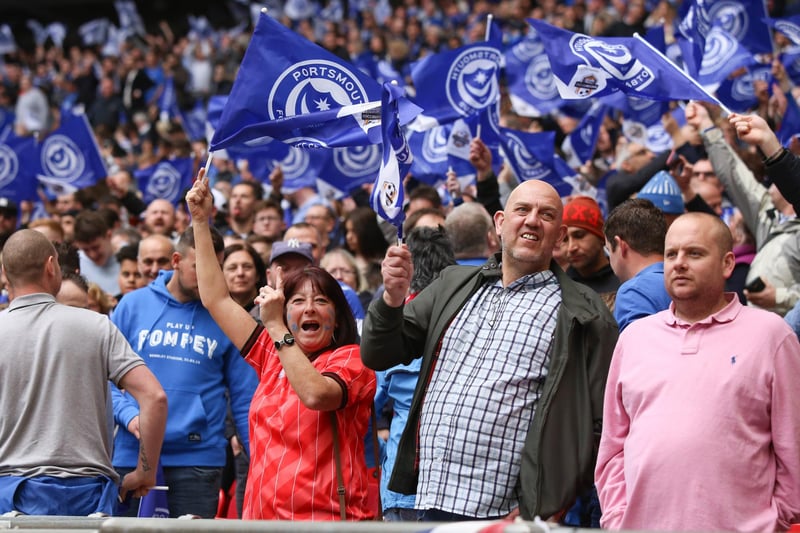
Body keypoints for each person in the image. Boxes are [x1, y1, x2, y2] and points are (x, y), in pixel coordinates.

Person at [361, 180, 618, 521]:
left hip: (505, 516)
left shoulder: (583, 312)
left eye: (547, 215)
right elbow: (380, 353)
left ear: (559, 236)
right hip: (425, 500)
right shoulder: (452, 284)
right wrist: (392, 300)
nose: (531, 220)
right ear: (499, 223)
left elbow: (598, 424)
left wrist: (548, 507)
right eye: (522, 210)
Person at [186, 174, 377, 520]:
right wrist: (201, 221)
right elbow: (215, 298)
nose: (308, 309)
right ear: (286, 312)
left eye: (321, 301)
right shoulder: (271, 354)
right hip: (262, 519)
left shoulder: (352, 360)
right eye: (297, 301)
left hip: (326, 522)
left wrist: (274, 325)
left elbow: (317, 395)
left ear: (339, 314)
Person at [596, 213, 800, 531]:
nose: (678, 263)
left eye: (694, 253)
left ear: (728, 264)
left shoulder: (771, 335)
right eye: (671, 254)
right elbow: (613, 446)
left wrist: (774, 521)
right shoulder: (634, 339)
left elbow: (793, 448)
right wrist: (617, 518)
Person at [0, 230, 166, 516]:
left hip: (10, 493)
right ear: (51, 266)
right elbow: (155, 397)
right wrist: (144, 472)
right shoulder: (97, 326)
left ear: (5, 273)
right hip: (88, 496)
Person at [110, 226, 258, 518]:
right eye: (198, 265)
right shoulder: (132, 305)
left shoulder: (229, 316)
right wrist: (130, 417)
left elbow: (245, 401)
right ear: (176, 260)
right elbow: (107, 380)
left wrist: (258, 462)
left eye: (215, 266)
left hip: (198, 459)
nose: (208, 274)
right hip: (132, 452)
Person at [378, 225, 457, 522]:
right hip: (457, 490)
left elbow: (363, 412)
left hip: (403, 490)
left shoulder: (389, 326)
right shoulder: (473, 318)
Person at [604, 198, 672, 332]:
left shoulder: (633, 292)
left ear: (621, 246)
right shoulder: (685, 281)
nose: (609, 259)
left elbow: (636, 350)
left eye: (607, 250)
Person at [561, 196, 619, 309]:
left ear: (601, 237)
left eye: (579, 236)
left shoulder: (625, 279)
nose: (571, 247)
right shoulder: (559, 289)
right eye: (564, 240)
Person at [72, 210, 121, 295]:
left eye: (96, 247)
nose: (93, 255)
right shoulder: (76, 263)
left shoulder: (126, 255)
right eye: (86, 250)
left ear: (108, 236)